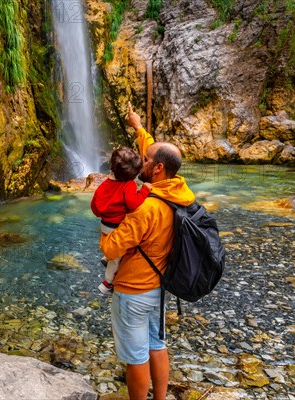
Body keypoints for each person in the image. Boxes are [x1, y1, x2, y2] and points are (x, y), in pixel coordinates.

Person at [99, 103, 195, 399]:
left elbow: (112, 246)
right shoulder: (179, 191)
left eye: (146, 160)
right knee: (157, 344)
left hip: (134, 291)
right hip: (160, 287)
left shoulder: (146, 208)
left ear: (158, 168)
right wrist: (138, 127)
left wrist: (104, 229)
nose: (142, 161)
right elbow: (154, 148)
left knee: (135, 356)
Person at [91, 147, 152, 294]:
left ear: (111, 166)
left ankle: (106, 256)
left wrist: (105, 214)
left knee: (110, 245)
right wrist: (144, 190)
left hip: (105, 225)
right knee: (117, 259)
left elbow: (94, 206)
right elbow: (133, 204)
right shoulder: (128, 185)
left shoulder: (104, 184)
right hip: (117, 226)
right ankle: (107, 283)